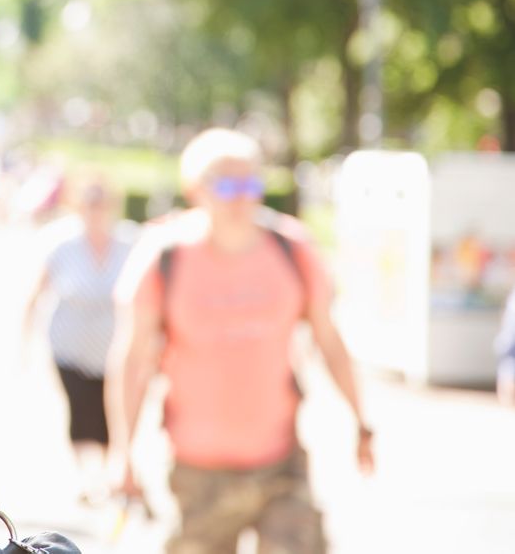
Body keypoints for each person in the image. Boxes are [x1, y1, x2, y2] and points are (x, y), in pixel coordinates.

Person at [107, 128, 374, 554]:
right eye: (227, 186)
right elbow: (132, 359)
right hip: (196, 471)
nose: (240, 199)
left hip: (281, 463)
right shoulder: (164, 256)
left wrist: (361, 422)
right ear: (194, 189)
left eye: (250, 184)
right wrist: (123, 452)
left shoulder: (292, 248)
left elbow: (329, 340)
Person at [22, 180, 135, 504]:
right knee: (81, 409)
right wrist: (25, 341)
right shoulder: (62, 244)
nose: (96, 210)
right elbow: (37, 292)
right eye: (89, 203)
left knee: (111, 410)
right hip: (69, 347)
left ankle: (110, 470)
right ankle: (88, 477)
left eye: (101, 202)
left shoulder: (130, 242)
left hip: (116, 349)